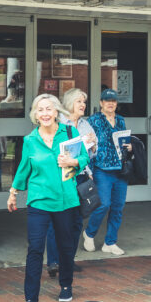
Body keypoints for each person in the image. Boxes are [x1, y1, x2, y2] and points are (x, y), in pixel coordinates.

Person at [7, 93, 89, 302]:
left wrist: (74, 161)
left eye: (48, 109)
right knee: (35, 248)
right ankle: (31, 300)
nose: (44, 113)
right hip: (39, 201)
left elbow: (84, 158)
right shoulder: (30, 141)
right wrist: (13, 192)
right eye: (40, 110)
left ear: (56, 112)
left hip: (65, 201)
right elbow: (24, 168)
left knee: (65, 246)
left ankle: (66, 284)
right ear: (35, 114)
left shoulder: (69, 133)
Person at [46, 88, 96, 277]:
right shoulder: (59, 123)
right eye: (79, 102)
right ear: (69, 104)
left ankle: (68, 260)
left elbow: (90, 155)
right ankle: (53, 261)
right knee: (57, 220)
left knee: (76, 222)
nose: (83, 105)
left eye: (84, 101)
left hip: (81, 176)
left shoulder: (86, 125)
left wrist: (93, 146)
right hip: (62, 178)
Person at [82, 88, 131, 255]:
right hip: (102, 168)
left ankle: (110, 242)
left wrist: (129, 146)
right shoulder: (94, 120)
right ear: (101, 103)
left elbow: (124, 141)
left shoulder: (121, 120)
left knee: (118, 207)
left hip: (120, 169)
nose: (111, 103)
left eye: (114, 101)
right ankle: (89, 233)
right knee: (103, 204)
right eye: (107, 100)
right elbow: (88, 144)